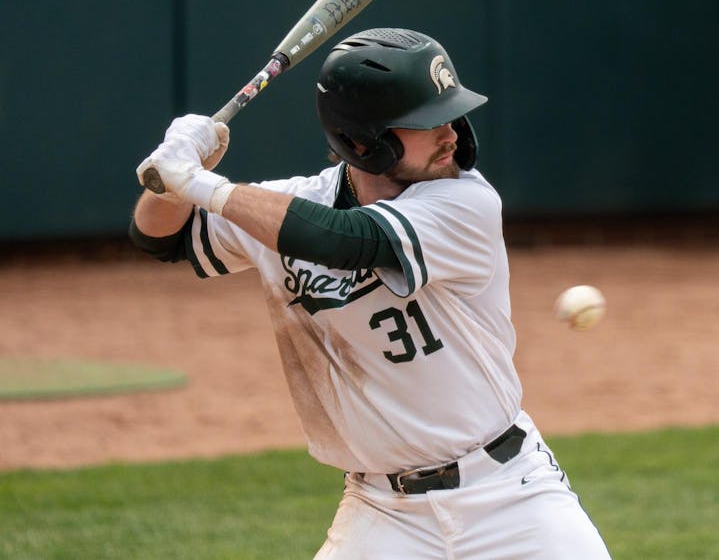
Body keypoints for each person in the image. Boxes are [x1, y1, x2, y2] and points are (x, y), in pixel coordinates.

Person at [130, 28, 611, 559]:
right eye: (426, 123)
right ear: (362, 140)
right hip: (384, 514)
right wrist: (169, 176)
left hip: (511, 499)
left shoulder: (465, 203)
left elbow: (345, 240)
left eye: (450, 114)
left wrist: (203, 185)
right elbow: (161, 238)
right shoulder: (288, 206)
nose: (449, 133)